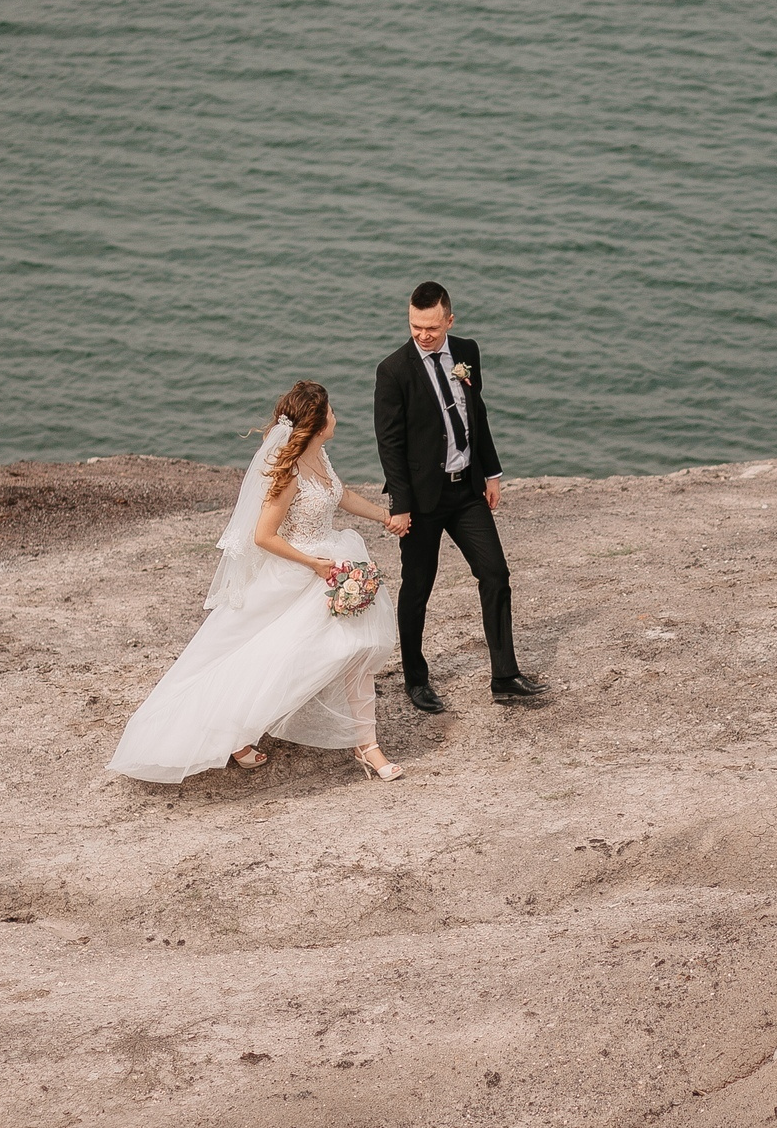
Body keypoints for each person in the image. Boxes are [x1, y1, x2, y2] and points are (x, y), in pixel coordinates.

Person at [108, 380, 406, 784]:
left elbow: (341, 495)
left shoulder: (320, 456)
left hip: (336, 559)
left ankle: (366, 744)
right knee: (270, 663)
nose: (336, 416)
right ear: (317, 424)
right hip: (302, 572)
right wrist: (315, 564)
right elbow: (264, 536)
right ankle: (229, 733)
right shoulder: (290, 472)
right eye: (330, 412)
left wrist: (384, 517)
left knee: (357, 651)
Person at [373, 282, 545, 712]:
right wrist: (401, 504)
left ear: (450, 320)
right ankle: (416, 680)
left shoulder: (467, 351)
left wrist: (491, 472)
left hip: (467, 490)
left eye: (431, 327)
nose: (423, 335)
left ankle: (504, 675)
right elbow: (389, 444)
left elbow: (476, 414)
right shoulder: (393, 371)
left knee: (496, 574)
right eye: (415, 326)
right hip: (422, 500)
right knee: (417, 589)